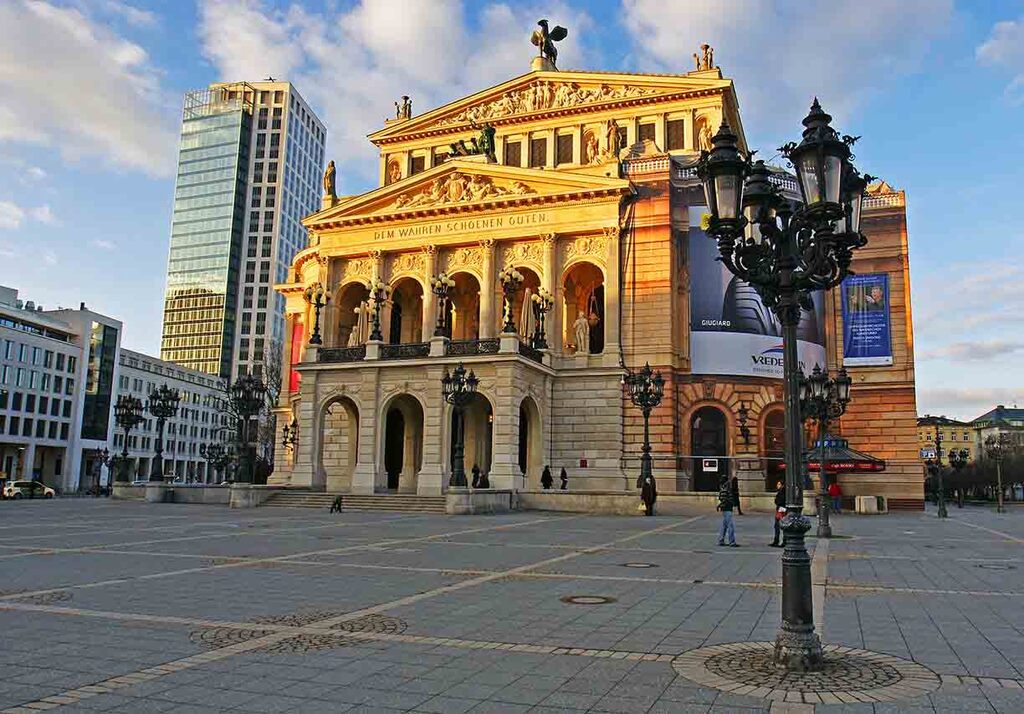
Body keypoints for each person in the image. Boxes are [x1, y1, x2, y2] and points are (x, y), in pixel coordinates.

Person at [716, 475, 737, 546]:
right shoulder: (726, 488)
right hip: (727, 508)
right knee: (730, 525)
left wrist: (719, 505)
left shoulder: (723, 488)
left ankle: (721, 540)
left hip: (726, 508)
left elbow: (722, 498)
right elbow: (724, 499)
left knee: (724, 525)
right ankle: (732, 541)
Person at [771, 481, 785, 547]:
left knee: (781, 526)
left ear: (782, 485)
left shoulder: (782, 492)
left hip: (782, 511)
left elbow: (779, 501)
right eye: (777, 484)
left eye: (779, 484)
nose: (777, 485)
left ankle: (782, 541)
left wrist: (777, 501)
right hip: (779, 510)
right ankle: (776, 541)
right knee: (777, 526)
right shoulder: (780, 491)